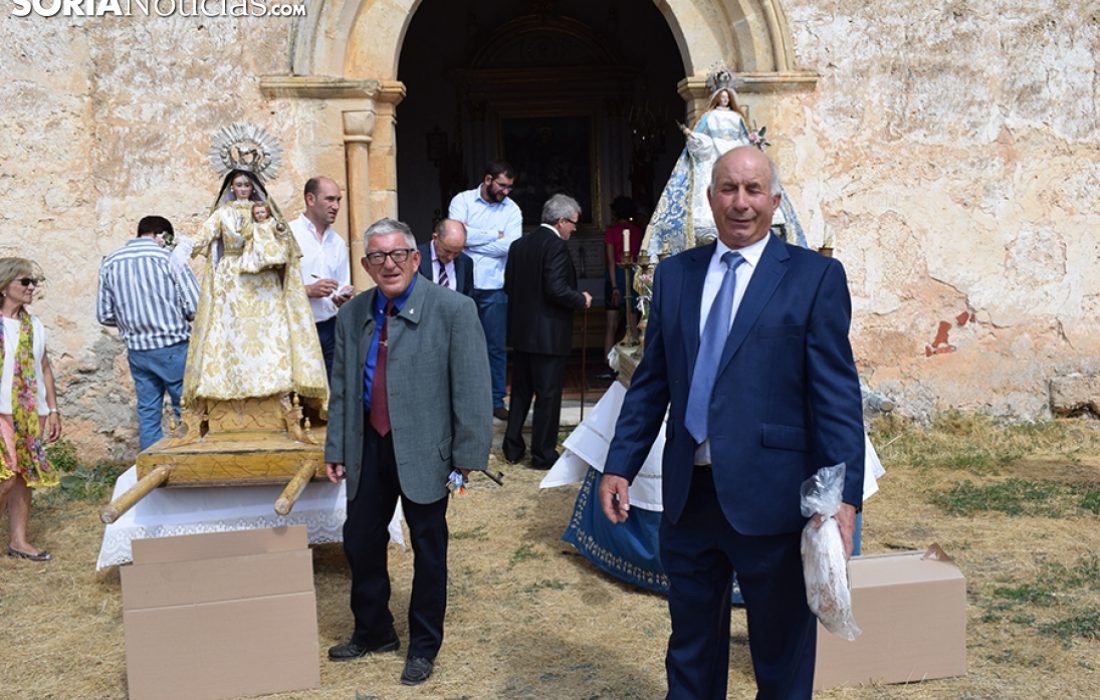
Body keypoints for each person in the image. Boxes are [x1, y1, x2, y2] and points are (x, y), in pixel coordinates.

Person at [598, 146, 865, 699]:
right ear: (710, 197)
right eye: (728, 189)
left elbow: (836, 397)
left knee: (781, 656)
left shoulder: (814, 278)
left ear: (773, 199)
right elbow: (652, 384)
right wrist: (618, 464)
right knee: (691, 651)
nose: (740, 203)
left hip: (774, 502)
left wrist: (842, 497)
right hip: (691, 500)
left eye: (752, 190)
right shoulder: (675, 277)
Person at [324, 218, 491, 687]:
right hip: (368, 447)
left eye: (398, 254)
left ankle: (423, 646)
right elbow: (341, 388)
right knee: (360, 541)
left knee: (428, 548)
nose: (389, 264)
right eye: (378, 256)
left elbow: (473, 387)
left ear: (416, 258)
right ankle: (374, 631)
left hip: (425, 448)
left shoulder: (453, 310)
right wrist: (336, 446)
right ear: (366, 264)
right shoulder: (351, 315)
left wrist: (467, 456)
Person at [181, 168, 327, 410]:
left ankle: (274, 386)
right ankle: (228, 385)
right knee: (230, 329)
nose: (243, 189)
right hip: (232, 277)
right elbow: (204, 235)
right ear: (231, 187)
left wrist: (278, 237)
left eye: (247, 185)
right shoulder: (222, 213)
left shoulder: (262, 211)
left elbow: (282, 237)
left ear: (253, 187)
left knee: (269, 330)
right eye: (238, 185)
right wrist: (182, 247)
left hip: (262, 278)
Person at [644, 71, 806, 259]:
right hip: (715, 153)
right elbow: (702, 135)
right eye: (721, 96)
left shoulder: (737, 118)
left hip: (735, 148)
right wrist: (696, 139)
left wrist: (753, 143)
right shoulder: (710, 117)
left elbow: (743, 136)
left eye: (726, 97)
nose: (741, 203)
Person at [502, 194, 591, 470]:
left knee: (520, 394)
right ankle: (542, 454)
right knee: (548, 396)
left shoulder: (519, 245)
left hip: (522, 333)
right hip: (549, 336)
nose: (574, 229)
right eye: (573, 223)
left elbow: (510, 286)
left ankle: (513, 448)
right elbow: (555, 288)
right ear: (561, 221)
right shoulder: (555, 246)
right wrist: (581, 299)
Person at [97, 216, 200, 450]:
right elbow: (194, 305)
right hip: (173, 345)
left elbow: (104, 314)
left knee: (148, 411)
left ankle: (151, 469)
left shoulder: (110, 262)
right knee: (184, 408)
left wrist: (131, 323)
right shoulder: (167, 259)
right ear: (161, 236)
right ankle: (186, 460)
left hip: (137, 350)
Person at [448, 160, 523, 421]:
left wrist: (472, 240)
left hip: (494, 287)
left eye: (510, 187)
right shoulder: (462, 201)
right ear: (488, 179)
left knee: (495, 348)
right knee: (460, 346)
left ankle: (495, 400)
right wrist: (494, 234)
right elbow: (455, 238)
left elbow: (510, 247)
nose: (506, 191)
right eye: (502, 185)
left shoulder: (512, 210)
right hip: (462, 287)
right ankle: (463, 401)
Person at [0, 258, 61, 561]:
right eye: (25, 282)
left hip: (29, 411)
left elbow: (44, 367)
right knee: (6, 476)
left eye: (34, 282)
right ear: (4, 285)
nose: (32, 287)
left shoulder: (33, 325)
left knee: (23, 475)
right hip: (1, 413)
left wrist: (52, 409)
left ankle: (19, 541)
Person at [289, 176, 351, 379]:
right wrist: (307, 290)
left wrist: (341, 297)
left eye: (338, 200)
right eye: (330, 199)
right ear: (310, 199)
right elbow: (271, 286)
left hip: (330, 328)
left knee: (332, 395)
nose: (336, 206)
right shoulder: (289, 235)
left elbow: (343, 284)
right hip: (297, 328)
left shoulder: (338, 243)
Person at [601, 195, 644, 378]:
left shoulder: (612, 232)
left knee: (611, 325)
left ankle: (608, 366)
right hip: (633, 275)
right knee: (633, 321)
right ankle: (635, 365)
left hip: (616, 275)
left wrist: (614, 286)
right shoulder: (638, 231)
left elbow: (611, 261)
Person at [417, 218, 473, 296]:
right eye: (447, 251)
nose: (451, 257)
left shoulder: (466, 262)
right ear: (435, 237)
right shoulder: (416, 257)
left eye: (457, 252)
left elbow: (468, 299)